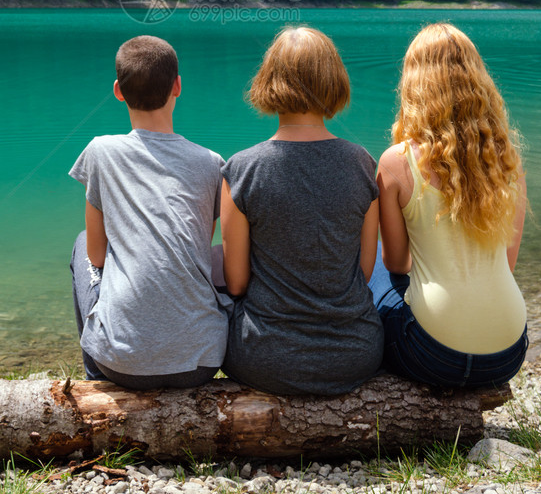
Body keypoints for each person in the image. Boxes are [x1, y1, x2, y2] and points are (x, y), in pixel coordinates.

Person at [221, 26, 383, 395]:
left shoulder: (242, 169)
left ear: (268, 82)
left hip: (264, 358)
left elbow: (237, 283)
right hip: (356, 353)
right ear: (334, 83)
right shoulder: (361, 163)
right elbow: (364, 269)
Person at [370, 22, 528, 388]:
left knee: (376, 264)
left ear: (414, 85)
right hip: (508, 353)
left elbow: (397, 264)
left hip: (433, 356)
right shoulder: (508, 161)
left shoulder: (397, 162)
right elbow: (507, 263)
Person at [69, 34, 231, 389]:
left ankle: (96, 375)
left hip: (120, 364)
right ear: (177, 86)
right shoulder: (211, 164)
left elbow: (97, 255)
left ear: (117, 90)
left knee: (82, 243)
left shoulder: (100, 152)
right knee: (216, 256)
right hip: (203, 361)